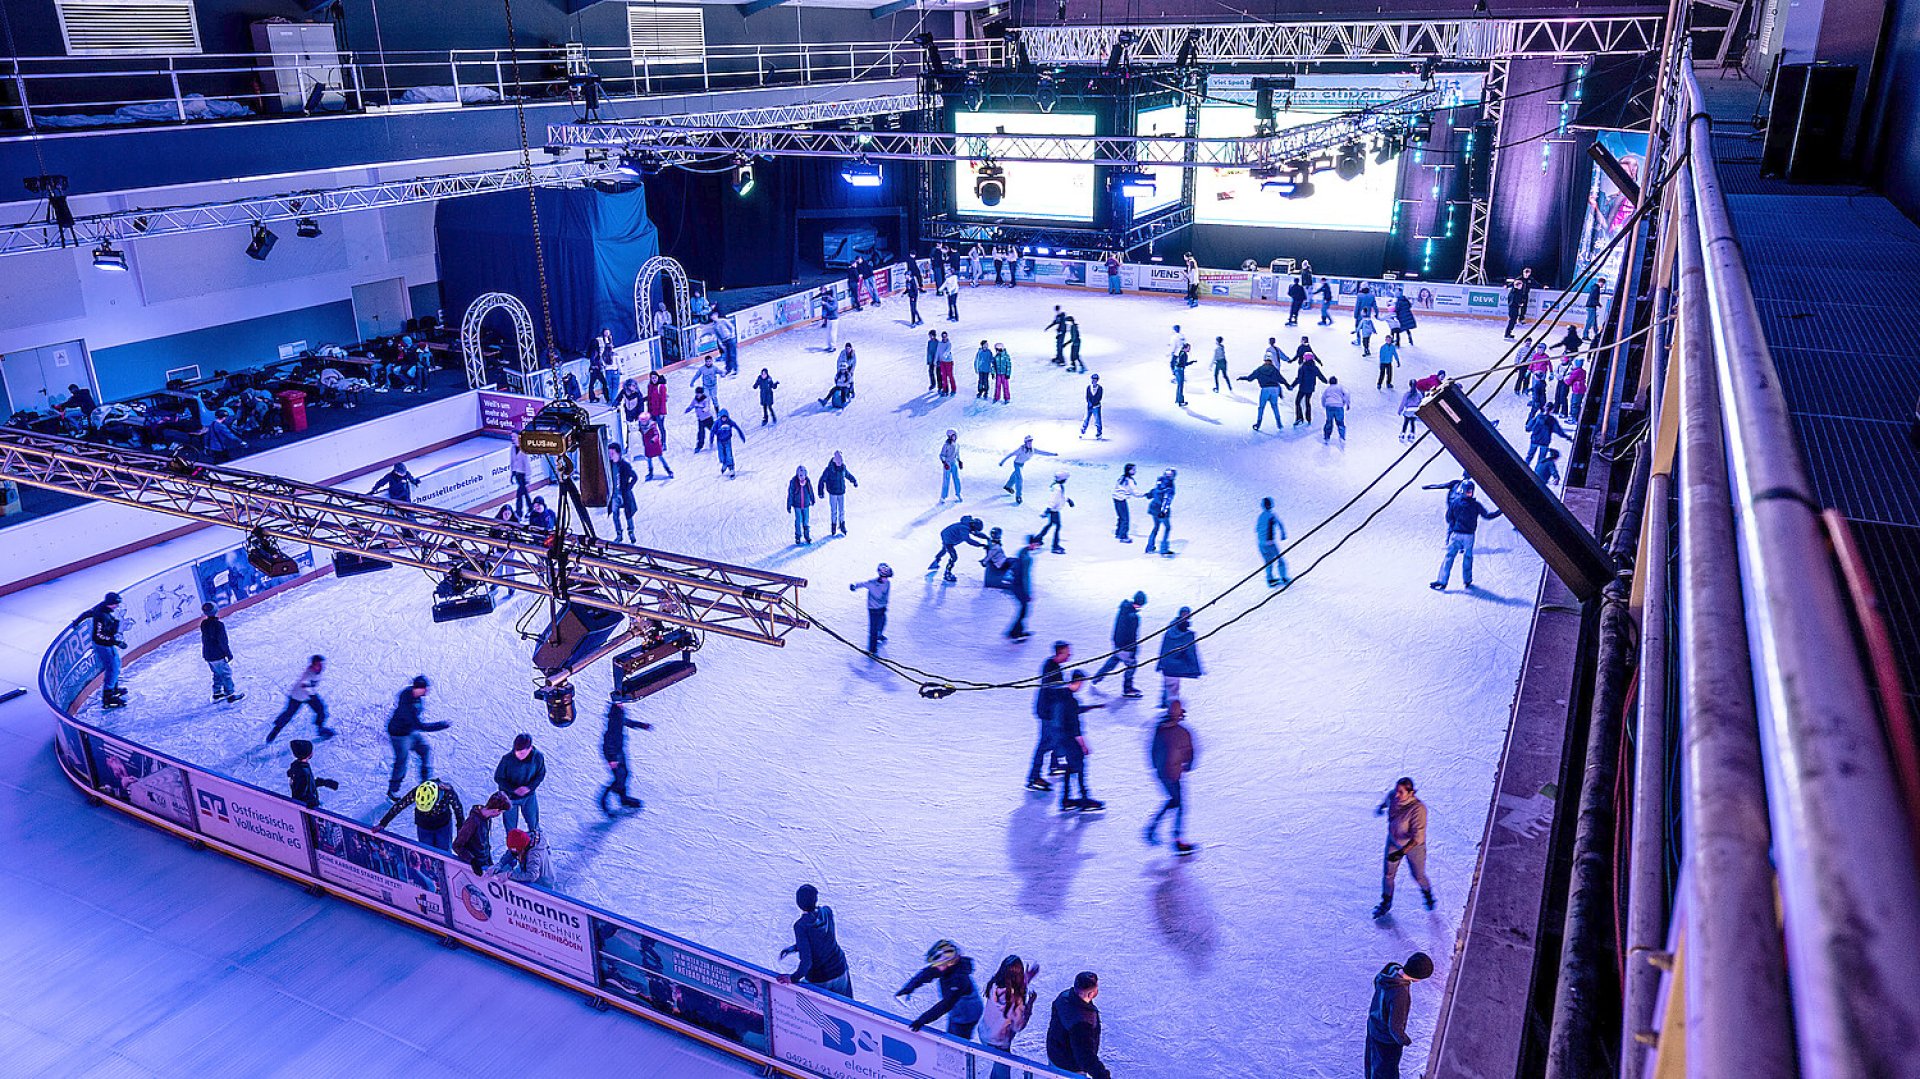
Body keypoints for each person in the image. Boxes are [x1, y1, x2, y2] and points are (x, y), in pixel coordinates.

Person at [1366, 952, 1436, 1079]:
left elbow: (1377, 982)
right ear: (1417, 977)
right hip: (1386, 1039)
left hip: (1373, 1025)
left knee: (1373, 1061)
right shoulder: (1400, 994)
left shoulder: (1390, 970)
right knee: (1386, 1071)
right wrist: (1404, 1040)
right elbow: (1395, 1027)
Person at [897, 940, 985, 1037]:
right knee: (952, 1030)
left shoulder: (959, 980)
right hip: (956, 1010)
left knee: (957, 1040)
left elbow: (945, 1005)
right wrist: (910, 987)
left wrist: (922, 1020)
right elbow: (927, 973)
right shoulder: (946, 968)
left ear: (949, 963)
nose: (936, 968)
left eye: (939, 965)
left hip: (967, 1015)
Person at [779, 884, 853, 997]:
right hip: (840, 969)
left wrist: (793, 978)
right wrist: (795, 947)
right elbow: (822, 939)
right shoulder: (827, 912)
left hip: (820, 977)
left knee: (818, 1011)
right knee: (848, 1010)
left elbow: (807, 961)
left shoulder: (801, 926)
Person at [1430, 480, 1502, 591]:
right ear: (1463, 490)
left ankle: (1466, 580)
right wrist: (1454, 526)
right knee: (1450, 556)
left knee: (1467, 557)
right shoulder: (1459, 503)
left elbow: (1487, 515)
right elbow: (1449, 517)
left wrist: (1499, 511)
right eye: (1468, 491)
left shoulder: (1474, 505)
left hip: (1467, 535)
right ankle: (1442, 581)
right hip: (1458, 534)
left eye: (1471, 491)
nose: (1469, 493)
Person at [385, 675, 446, 801]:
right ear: (418, 688)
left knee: (424, 749)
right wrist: (438, 726)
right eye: (425, 688)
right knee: (401, 762)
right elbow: (419, 725)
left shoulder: (415, 697)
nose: (427, 691)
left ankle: (425, 783)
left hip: (409, 731)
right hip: (399, 736)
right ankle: (393, 791)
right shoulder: (406, 706)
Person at [1148, 700, 1198, 853]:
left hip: (1163, 774)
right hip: (1173, 774)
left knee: (1174, 801)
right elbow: (1190, 752)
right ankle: (1176, 839)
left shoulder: (1160, 729)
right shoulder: (1182, 732)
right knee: (1179, 804)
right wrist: (1187, 765)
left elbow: (1153, 751)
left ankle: (1153, 828)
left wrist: (1157, 768)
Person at [982, 956, 1041, 1079]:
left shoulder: (994, 985)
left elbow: (1012, 986)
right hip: (999, 1043)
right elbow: (1018, 1026)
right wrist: (1029, 1005)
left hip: (984, 1033)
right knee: (1002, 1074)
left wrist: (1026, 978)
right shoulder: (1015, 1002)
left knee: (998, 1070)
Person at [1054, 670, 1105, 811]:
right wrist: (1083, 745)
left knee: (1070, 768)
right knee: (1080, 768)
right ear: (1078, 681)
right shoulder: (1071, 701)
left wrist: (1093, 707)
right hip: (1071, 741)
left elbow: (1073, 712)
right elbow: (1075, 728)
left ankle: (1065, 799)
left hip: (1062, 739)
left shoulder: (1063, 696)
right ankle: (1084, 799)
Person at [1046, 972, 1112, 1079]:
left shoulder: (1063, 997)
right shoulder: (1082, 1022)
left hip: (1056, 1055)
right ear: (1091, 994)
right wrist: (1102, 1075)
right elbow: (1085, 1056)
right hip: (1070, 1068)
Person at [1026, 641, 1072, 791]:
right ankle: (1034, 777)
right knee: (1045, 744)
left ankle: (1054, 765)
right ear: (1059, 653)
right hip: (1047, 713)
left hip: (1051, 712)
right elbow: (1052, 687)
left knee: (1055, 739)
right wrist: (1067, 687)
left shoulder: (1055, 667)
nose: (1069, 655)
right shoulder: (1050, 667)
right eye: (1067, 652)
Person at [375, 776, 465, 852]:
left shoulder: (447, 792)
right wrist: (383, 823)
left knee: (444, 851)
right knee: (426, 852)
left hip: (443, 827)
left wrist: (461, 832)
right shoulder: (419, 791)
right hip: (424, 826)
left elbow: (458, 810)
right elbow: (400, 805)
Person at [600, 699, 653, 814]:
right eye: (620, 704)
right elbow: (608, 740)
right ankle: (604, 799)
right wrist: (612, 759)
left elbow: (627, 722)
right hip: (613, 753)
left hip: (618, 751)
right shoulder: (615, 720)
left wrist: (642, 725)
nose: (622, 705)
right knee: (619, 777)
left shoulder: (618, 716)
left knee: (624, 774)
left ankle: (623, 799)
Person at [1090, 591, 1146, 697]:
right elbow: (1131, 635)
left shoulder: (1123, 609)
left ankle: (1097, 677)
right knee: (1131, 665)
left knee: (1114, 660)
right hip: (1126, 646)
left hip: (1118, 643)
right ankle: (1127, 689)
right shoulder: (1133, 617)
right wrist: (1133, 650)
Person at [267, 654, 333, 741]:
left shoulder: (318, 672)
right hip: (297, 697)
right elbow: (304, 685)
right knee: (288, 714)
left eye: (321, 664)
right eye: (318, 664)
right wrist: (311, 695)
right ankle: (276, 729)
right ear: (313, 665)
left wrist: (311, 694)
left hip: (309, 695)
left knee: (320, 709)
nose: (320, 666)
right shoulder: (307, 674)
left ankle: (320, 728)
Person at [492, 732, 546, 831]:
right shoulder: (507, 759)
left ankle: (538, 843)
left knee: (533, 823)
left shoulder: (538, 757)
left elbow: (540, 774)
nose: (517, 754)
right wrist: (513, 789)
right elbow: (498, 778)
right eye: (516, 751)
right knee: (510, 827)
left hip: (529, 797)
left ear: (529, 749)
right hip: (510, 798)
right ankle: (512, 846)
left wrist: (529, 787)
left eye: (521, 753)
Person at [1156, 606, 1204, 707]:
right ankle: (1170, 712)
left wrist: (1160, 663)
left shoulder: (1170, 630)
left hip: (1168, 665)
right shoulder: (1187, 636)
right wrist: (1196, 669)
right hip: (1175, 667)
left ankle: (1165, 705)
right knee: (1173, 690)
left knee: (1170, 687)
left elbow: (1164, 647)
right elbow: (1191, 653)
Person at [198, 601, 243, 703]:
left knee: (217, 673)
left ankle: (217, 693)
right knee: (225, 674)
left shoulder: (203, 624)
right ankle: (230, 694)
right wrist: (228, 653)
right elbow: (223, 641)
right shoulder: (219, 625)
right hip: (217, 654)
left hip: (208, 654)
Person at [453, 793, 509, 874]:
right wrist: (473, 861)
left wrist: (490, 863)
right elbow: (457, 846)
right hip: (472, 868)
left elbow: (485, 843)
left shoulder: (487, 819)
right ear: (496, 810)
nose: (499, 815)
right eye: (501, 812)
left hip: (484, 863)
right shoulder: (472, 822)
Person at [845, 563, 894, 653]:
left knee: (883, 622)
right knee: (873, 628)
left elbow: (886, 595)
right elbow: (862, 584)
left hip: (882, 607)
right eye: (885, 577)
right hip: (873, 609)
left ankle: (879, 635)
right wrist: (854, 586)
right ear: (880, 575)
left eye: (887, 577)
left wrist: (885, 605)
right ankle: (872, 649)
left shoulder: (887, 583)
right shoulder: (872, 583)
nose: (886, 579)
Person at [999, 436, 1057, 506]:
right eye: (1028, 442)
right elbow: (1010, 454)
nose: (1030, 443)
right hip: (1017, 464)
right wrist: (1002, 462)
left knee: (1015, 475)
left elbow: (1043, 452)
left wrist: (1053, 454)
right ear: (1025, 442)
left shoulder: (1033, 450)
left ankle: (1008, 486)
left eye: (1031, 441)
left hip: (1022, 465)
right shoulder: (1021, 449)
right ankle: (1018, 496)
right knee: (1019, 478)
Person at [1240, 355, 1292, 432]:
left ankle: (1258, 424)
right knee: (1275, 406)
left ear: (1264, 361)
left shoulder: (1260, 369)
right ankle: (1279, 424)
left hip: (1265, 390)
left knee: (1261, 407)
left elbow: (1250, 378)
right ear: (1271, 361)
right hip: (1275, 389)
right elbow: (1281, 379)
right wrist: (1287, 385)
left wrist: (1243, 378)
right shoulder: (1274, 369)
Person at [929, 516, 987, 583]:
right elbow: (968, 540)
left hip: (949, 536)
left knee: (944, 549)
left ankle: (936, 561)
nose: (975, 531)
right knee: (954, 557)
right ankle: (947, 573)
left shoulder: (967, 525)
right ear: (973, 526)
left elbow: (976, 534)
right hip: (948, 539)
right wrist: (980, 545)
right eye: (975, 529)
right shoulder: (964, 528)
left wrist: (986, 537)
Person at [286, 738, 338, 809]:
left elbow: (308, 784)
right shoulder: (303, 772)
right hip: (306, 809)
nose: (312, 752)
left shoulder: (299, 766)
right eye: (311, 751)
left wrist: (325, 782)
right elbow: (299, 794)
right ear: (307, 754)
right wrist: (310, 803)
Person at [1007, 535, 1040, 640]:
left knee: (1023, 609)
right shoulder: (1028, 558)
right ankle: (1014, 632)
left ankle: (1016, 631)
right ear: (1032, 544)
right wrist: (1027, 593)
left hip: (1015, 584)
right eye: (1036, 544)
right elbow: (1026, 576)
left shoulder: (1023, 551)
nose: (1037, 546)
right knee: (1024, 610)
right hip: (1019, 586)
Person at [817, 451, 857, 536]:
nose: (840, 463)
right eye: (838, 461)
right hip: (833, 493)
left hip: (841, 492)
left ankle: (842, 525)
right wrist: (820, 491)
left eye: (841, 461)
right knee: (834, 511)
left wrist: (854, 481)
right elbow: (822, 480)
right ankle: (833, 526)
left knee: (842, 510)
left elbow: (848, 475)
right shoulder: (829, 469)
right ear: (834, 460)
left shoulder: (843, 468)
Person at [605, 443, 637, 543]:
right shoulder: (609, 466)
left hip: (624, 494)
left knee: (628, 514)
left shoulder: (625, 465)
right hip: (614, 495)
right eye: (609, 453)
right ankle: (619, 534)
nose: (610, 455)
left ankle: (631, 532)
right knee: (615, 515)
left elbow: (635, 477)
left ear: (618, 453)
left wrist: (628, 488)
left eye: (612, 453)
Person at [1037, 470, 1074, 554]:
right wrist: (1048, 510)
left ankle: (1038, 539)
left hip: (1054, 509)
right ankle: (1055, 546)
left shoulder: (1058, 486)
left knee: (1050, 524)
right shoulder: (1057, 488)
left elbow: (1060, 497)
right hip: (1054, 510)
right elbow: (1053, 499)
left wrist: (1068, 500)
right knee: (1057, 526)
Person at [1257, 497, 1289, 587]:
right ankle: (1284, 577)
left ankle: (1270, 579)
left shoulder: (1260, 516)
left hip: (1260, 543)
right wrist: (1283, 535)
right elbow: (1280, 525)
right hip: (1269, 543)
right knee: (1280, 560)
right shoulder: (1272, 516)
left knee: (1268, 561)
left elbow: (1257, 529)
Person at [1144, 469, 1176, 556]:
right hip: (1160, 511)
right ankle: (1164, 549)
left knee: (1156, 527)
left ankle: (1149, 547)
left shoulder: (1160, 481)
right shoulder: (1170, 487)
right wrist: (1163, 511)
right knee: (1167, 527)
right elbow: (1167, 500)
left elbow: (1154, 491)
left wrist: (1149, 494)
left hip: (1153, 508)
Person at [1293, 351, 1328, 427]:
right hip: (1311, 388)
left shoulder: (1302, 367)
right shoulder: (1315, 368)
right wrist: (1326, 381)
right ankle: (1308, 418)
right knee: (1307, 402)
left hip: (1302, 388)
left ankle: (1299, 418)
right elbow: (1320, 376)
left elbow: (1299, 379)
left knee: (1297, 402)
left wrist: (1292, 385)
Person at [1109, 463, 1141, 542]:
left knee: (1121, 517)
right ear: (1128, 470)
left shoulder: (1122, 478)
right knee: (1125, 518)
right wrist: (1146, 494)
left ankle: (1118, 533)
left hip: (1116, 498)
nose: (1135, 471)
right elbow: (1134, 492)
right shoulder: (1128, 480)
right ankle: (1123, 536)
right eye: (1133, 470)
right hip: (1121, 499)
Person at [711, 408, 745, 478]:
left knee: (729, 454)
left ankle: (731, 469)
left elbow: (737, 428)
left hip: (727, 441)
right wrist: (711, 439)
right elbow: (712, 431)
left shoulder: (730, 422)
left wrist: (742, 436)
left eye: (725, 417)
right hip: (720, 441)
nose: (724, 419)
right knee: (721, 456)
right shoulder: (717, 423)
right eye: (722, 417)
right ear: (720, 417)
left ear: (727, 417)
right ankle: (725, 464)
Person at [787, 465, 816, 545]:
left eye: (803, 475)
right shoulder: (794, 482)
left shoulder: (808, 482)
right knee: (798, 520)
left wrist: (812, 499)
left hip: (806, 505)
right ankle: (798, 537)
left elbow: (811, 491)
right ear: (797, 475)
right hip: (797, 505)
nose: (802, 477)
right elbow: (790, 494)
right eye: (800, 475)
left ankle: (807, 536)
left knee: (806, 521)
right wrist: (789, 505)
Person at [637, 415, 673, 480]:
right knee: (649, 460)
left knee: (661, 458)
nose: (642, 423)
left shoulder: (652, 426)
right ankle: (650, 472)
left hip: (655, 446)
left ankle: (668, 470)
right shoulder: (641, 428)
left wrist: (653, 440)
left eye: (643, 421)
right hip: (648, 446)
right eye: (641, 421)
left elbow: (656, 434)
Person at [1504, 267, 1535, 339]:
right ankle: (1507, 333)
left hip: (1515, 307)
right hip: (1513, 308)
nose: (1522, 286)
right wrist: (1519, 303)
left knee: (1513, 321)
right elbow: (1512, 300)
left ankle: (1509, 333)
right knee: (1512, 321)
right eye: (1521, 285)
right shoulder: (1514, 292)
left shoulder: (1518, 291)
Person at [685, 386, 716, 452]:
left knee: (713, 430)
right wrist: (689, 408)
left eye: (699, 393)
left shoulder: (705, 399)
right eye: (696, 393)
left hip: (708, 419)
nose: (697, 395)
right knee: (701, 433)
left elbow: (707, 407)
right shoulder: (695, 399)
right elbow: (692, 405)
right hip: (701, 420)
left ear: (702, 393)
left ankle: (722, 439)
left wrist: (704, 410)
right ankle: (699, 446)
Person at [508, 440, 533, 520]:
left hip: (523, 475)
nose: (513, 438)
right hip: (517, 474)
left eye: (514, 437)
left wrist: (527, 478)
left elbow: (527, 465)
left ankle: (519, 512)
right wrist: (512, 474)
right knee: (524, 494)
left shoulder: (523, 449)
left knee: (519, 495)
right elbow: (512, 461)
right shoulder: (512, 448)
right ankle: (530, 509)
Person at [1322, 376, 1351, 443]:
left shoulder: (1328, 389)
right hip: (1338, 406)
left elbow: (1323, 398)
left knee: (1329, 422)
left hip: (1329, 406)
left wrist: (1324, 405)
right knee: (1340, 422)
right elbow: (1347, 393)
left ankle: (1327, 437)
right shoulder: (1340, 387)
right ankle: (1342, 437)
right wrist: (1346, 403)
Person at [938, 429, 964, 502]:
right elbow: (941, 455)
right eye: (952, 436)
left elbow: (957, 454)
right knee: (946, 480)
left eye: (955, 435)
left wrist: (959, 461)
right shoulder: (946, 445)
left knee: (957, 479)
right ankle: (943, 497)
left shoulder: (957, 445)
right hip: (947, 464)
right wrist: (944, 462)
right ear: (949, 436)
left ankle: (958, 494)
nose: (954, 437)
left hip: (954, 463)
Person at [1171, 343, 1195, 407]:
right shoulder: (1183, 354)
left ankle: (1178, 400)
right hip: (1180, 370)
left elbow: (1181, 362)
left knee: (1179, 385)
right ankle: (1181, 402)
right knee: (1181, 385)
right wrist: (1190, 362)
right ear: (1186, 348)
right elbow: (1183, 363)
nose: (1189, 349)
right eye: (1189, 348)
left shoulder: (1181, 352)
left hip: (1177, 370)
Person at [1081, 374, 1104, 438]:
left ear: (1097, 380)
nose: (1094, 381)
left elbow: (1099, 397)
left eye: (1095, 379)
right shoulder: (1089, 387)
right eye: (1093, 379)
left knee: (1097, 420)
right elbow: (1087, 396)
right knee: (1086, 419)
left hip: (1096, 406)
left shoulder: (1100, 388)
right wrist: (1089, 403)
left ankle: (1099, 433)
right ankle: (1083, 431)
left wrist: (1094, 404)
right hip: (1089, 406)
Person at [819, 286, 840, 350]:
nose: (827, 297)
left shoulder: (834, 301)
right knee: (828, 333)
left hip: (834, 319)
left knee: (833, 333)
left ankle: (833, 346)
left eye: (828, 296)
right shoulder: (827, 300)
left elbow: (831, 309)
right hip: (829, 319)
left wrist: (826, 304)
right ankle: (829, 346)